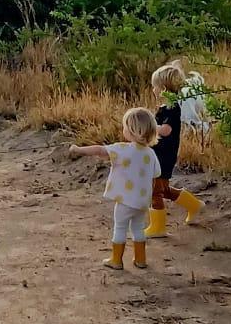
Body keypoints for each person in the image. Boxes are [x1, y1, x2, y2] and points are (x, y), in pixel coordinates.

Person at [69, 107, 162, 272]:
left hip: (125, 201)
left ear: (133, 130)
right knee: (138, 228)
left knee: (120, 227)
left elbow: (99, 150)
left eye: (125, 127)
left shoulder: (123, 149)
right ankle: (140, 259)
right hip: (142, 202)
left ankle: (116, 260)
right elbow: (155, 176)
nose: (123, 129)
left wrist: (78, 150)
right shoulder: (151, 154)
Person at [144, 60, 206, 238]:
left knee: (155, 190)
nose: (153, 90)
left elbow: (167, 130)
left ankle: (158, 226)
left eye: (155, 86)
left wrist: (150, 128)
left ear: (163, 88)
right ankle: (193, 205)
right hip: (160, 154)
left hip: (164, 156)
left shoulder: (171, 109)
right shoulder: (166, 107)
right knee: (162, 189)